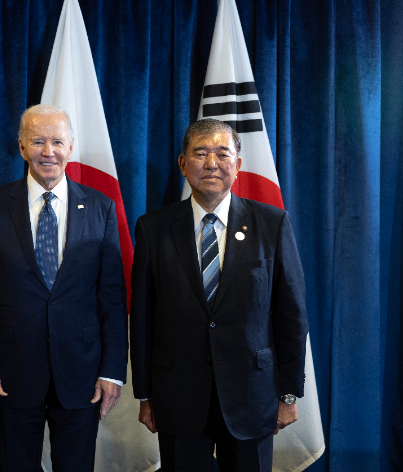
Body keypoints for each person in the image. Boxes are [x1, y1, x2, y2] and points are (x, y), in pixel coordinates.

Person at [130, 119, 308, 471]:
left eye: (222, 153)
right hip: (177, 396)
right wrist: (145, 394)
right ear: (183, 164)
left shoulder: (271, 224)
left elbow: (292, 314)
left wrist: (288, 394)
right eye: (200, 153)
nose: (212, 163)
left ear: (238, 165)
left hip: (252, 396)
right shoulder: (152, 228)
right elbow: (143, 316)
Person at [0, 104, 128, 471]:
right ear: (21, 148)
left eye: (56, 141)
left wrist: (112, 370)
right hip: (10, 374)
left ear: (70, 147)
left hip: (82, 375)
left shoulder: (100, 208)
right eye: (38, 141)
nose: (47, 151)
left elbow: (112, 299)